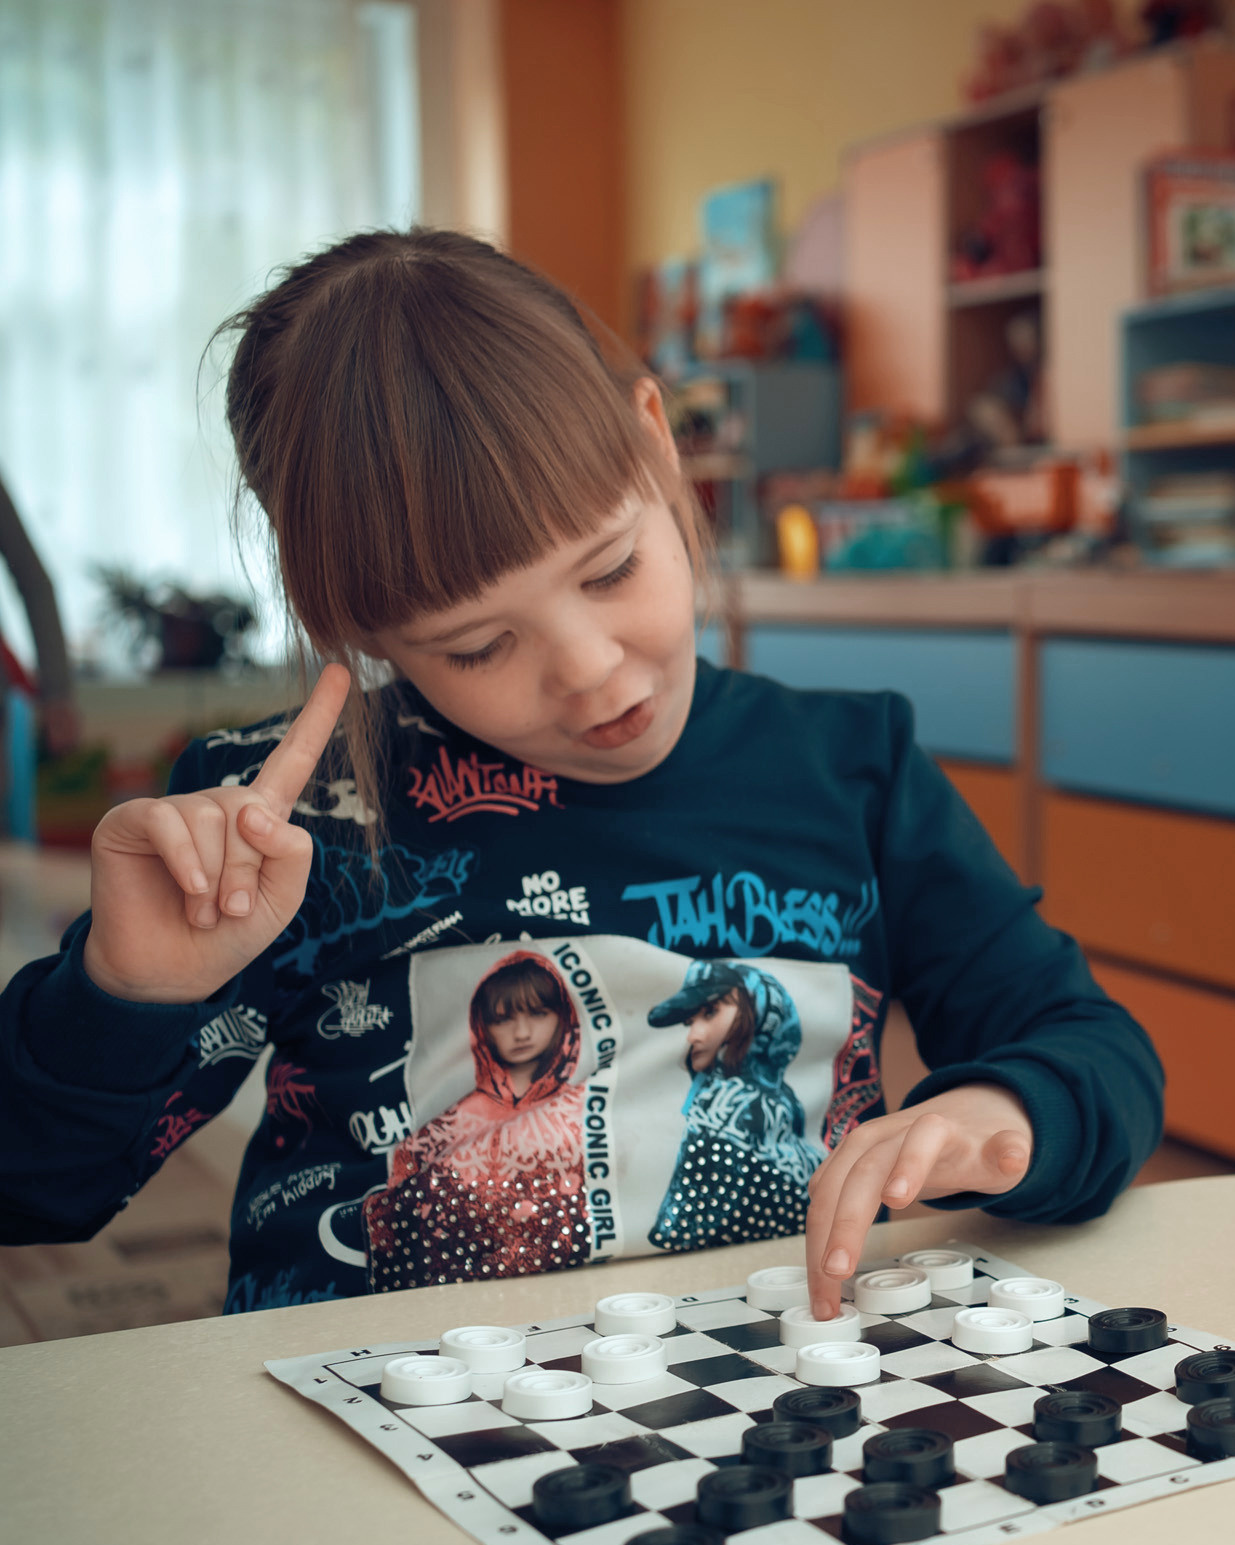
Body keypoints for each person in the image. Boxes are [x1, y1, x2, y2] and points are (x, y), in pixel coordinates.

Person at [0, 229, 1162, 1319]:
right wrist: (119, 993)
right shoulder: (279, 826)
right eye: (477, 646)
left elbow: (1088, 1045)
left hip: (770, 1410)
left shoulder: (851, 766)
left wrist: (998, 1112)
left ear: (656, 443)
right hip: (376, 1434)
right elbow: (34, 1191)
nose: (594, 673)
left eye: (611, 569)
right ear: (350, 623)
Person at [367, 951, 591, 1286]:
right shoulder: (452, 1123)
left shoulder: (586, 1107)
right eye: (502, 1019)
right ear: (480, 1025)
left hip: (581, 1282)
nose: (522, 1032)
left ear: (564, 1017)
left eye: (539, 1013)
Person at [646, 960, 819, 1251]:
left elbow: (679, 1229)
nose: (693, 1035)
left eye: (710, 1013)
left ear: (764, 1014)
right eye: (690, 1022)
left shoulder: (723, 1107)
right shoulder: (786, 1104)